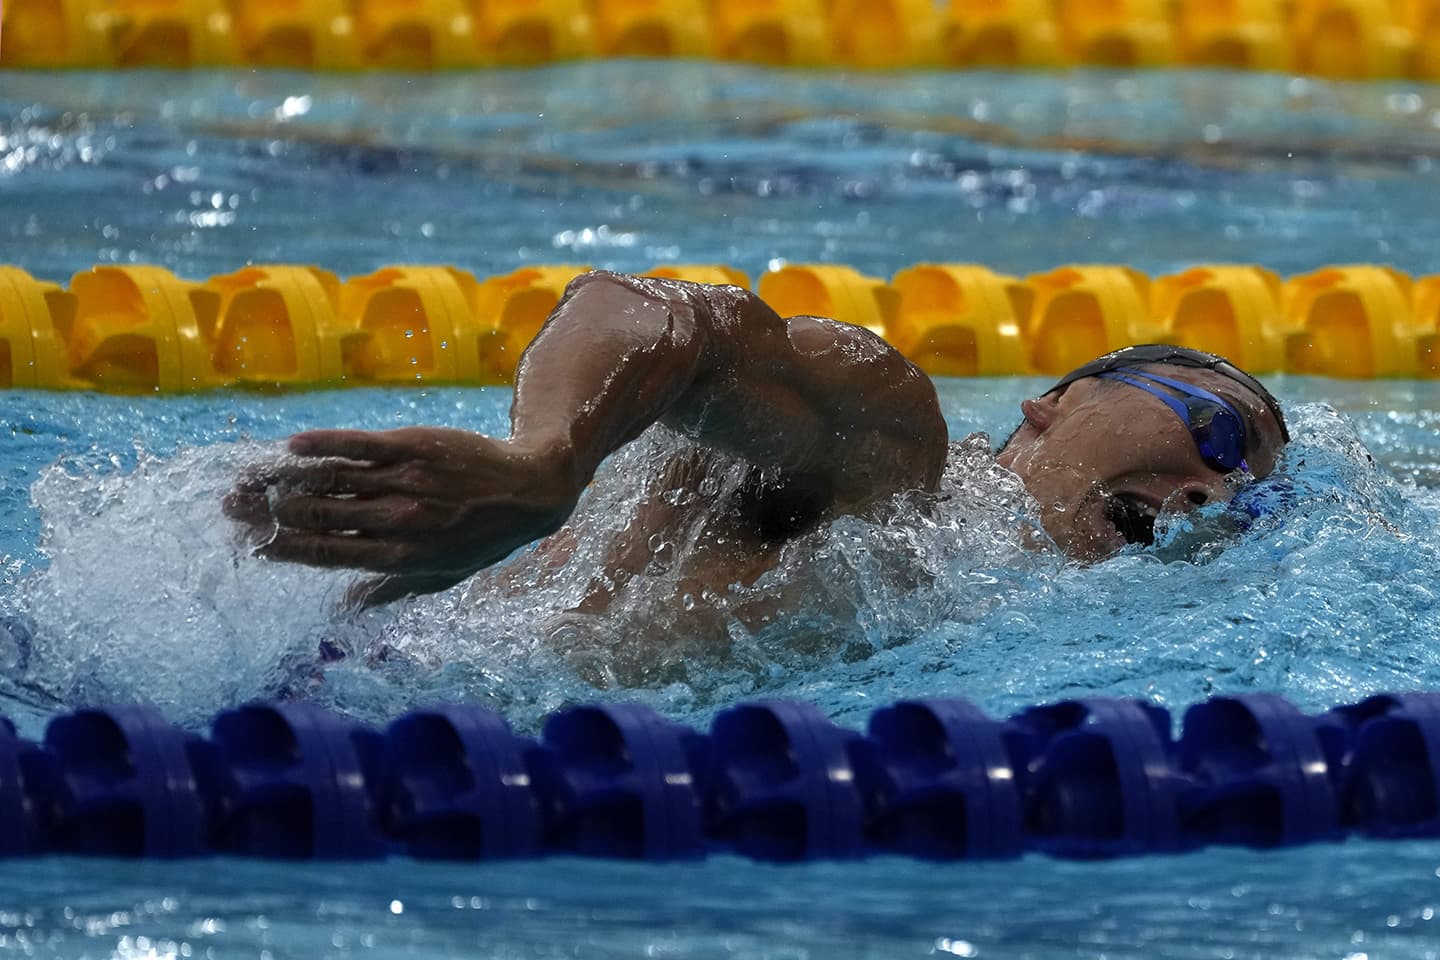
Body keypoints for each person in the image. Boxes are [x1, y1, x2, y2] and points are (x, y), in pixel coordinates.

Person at [224, 269, 1290, 613]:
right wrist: (543, 466)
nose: (1218, 484)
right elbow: (655, 314)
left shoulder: (975, 588)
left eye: (1246, 486)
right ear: (1051, 402)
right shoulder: (893, 454)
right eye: (1215, 428)